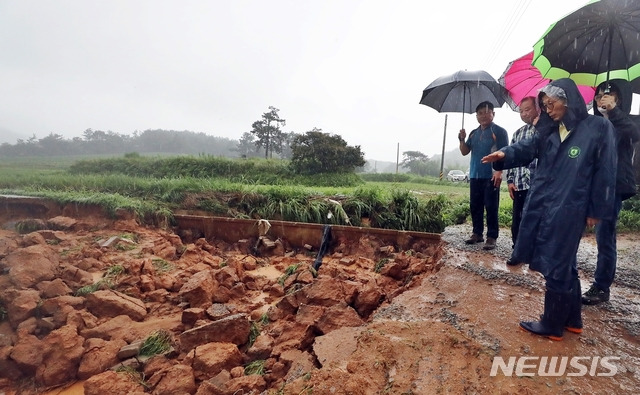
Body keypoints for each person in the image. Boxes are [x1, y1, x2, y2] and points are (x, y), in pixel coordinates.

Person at [482, 78, 617, 341]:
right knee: (565, 263)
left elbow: (606, 171)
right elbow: (527, 147)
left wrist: (596, 209)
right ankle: (573, 320)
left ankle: (552, 323)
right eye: (544, 104)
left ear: (567, 101)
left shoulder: (598, 127)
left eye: (551, 103)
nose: (547, 108)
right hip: (547, 202)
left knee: (556, 261)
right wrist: (505, 154)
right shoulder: (551, 132)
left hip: (572, 205)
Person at [582, 80, 640, 305]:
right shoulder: (592, 123)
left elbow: (634, 133)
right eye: (598, 96)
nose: (601, 100)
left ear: (619, 100)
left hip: (613, 186)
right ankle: (565, 277)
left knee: (605, 237)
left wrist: (614, 112)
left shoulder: (625, 122)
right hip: (591, 186)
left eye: (609, 95)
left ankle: (601, 286)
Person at [458, 101, 509, 250]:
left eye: (487, 112)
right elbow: (464, 151)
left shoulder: (499, 131)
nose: (484, 115)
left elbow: (504, 153)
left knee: (491, 206)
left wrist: (499, 172)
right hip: (475, 174)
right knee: (475, 205)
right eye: (480, 113)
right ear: (476, 116)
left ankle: (492, 236)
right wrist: (462, 138)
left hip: (491, 175)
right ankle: (477, 233)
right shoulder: (474, 133)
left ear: (493, 113)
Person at [505, 96, 539, 265]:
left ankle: (534, 256)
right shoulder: (518, 133)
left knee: (535, 220)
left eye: (528, 109)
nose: (524, 114)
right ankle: (517, 253)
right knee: (517, 220)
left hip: (537, 186)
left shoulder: (544, 131)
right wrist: (510, 181)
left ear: (537, 109)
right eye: (521, 111)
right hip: (519, 184)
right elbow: (511, 158)